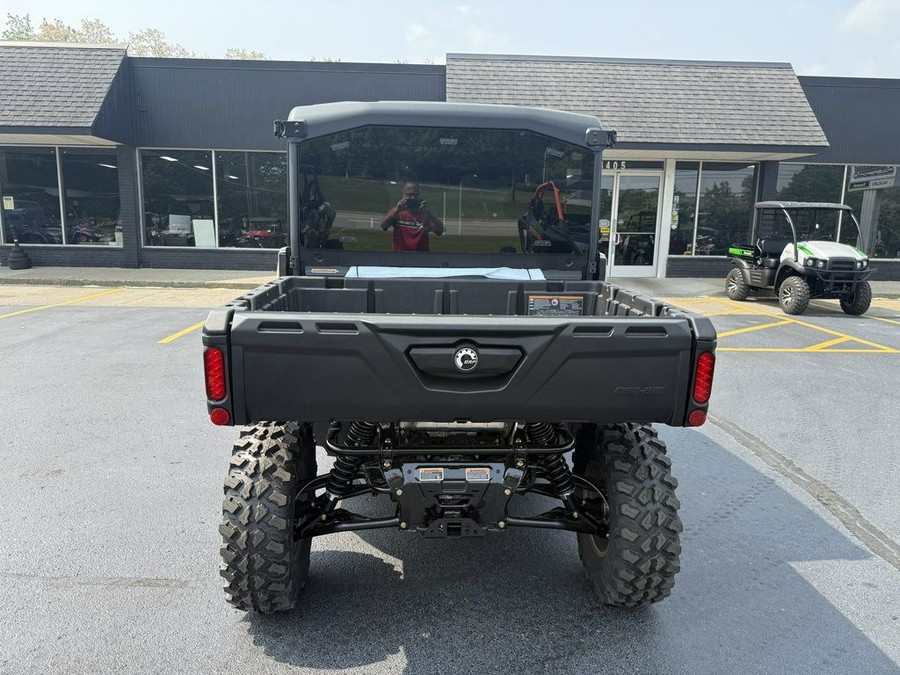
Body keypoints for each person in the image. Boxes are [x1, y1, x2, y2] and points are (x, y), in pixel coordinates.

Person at [380, 182, 444, 251]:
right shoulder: (397, 212)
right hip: (399, 256)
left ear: (419, 195)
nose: (413, 197)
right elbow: (384, 226)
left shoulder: (425, 213)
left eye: (415, 194)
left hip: (420, 257)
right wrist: (396, 210)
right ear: (404, 194)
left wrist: (429, 214)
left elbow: (440, 231)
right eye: (409, 194)